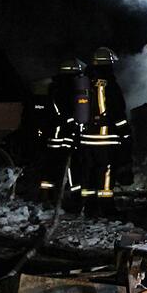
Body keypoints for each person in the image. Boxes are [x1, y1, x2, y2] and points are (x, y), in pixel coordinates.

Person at [79, 47, 133, 212]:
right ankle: (106, 207)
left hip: (86, 137)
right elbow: (117, 110)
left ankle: (88, 207)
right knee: (107, 170)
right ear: (108, 64)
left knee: (89, 171)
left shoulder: (85, 82)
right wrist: (125, 132)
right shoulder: (109, 84)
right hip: (105, 137)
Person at [37, 57, 89, 210]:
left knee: (52, 167)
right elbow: (58, 111)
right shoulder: (61, 89)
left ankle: (48, 197)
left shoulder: (57, 86)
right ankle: (67, 199)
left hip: (57, 135)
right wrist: (71, 122)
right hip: (61, 135)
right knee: (69, 167)